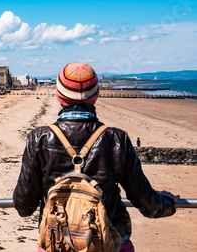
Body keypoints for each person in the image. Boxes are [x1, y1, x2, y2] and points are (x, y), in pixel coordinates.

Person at [13, 62, 179, 252]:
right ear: (96, 95)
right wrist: (168, 203)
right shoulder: (118, 139)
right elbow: (148, 205)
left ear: (59, 95)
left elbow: (24, 207)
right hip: (111, 241)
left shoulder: (38, 139)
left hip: (57, 241)